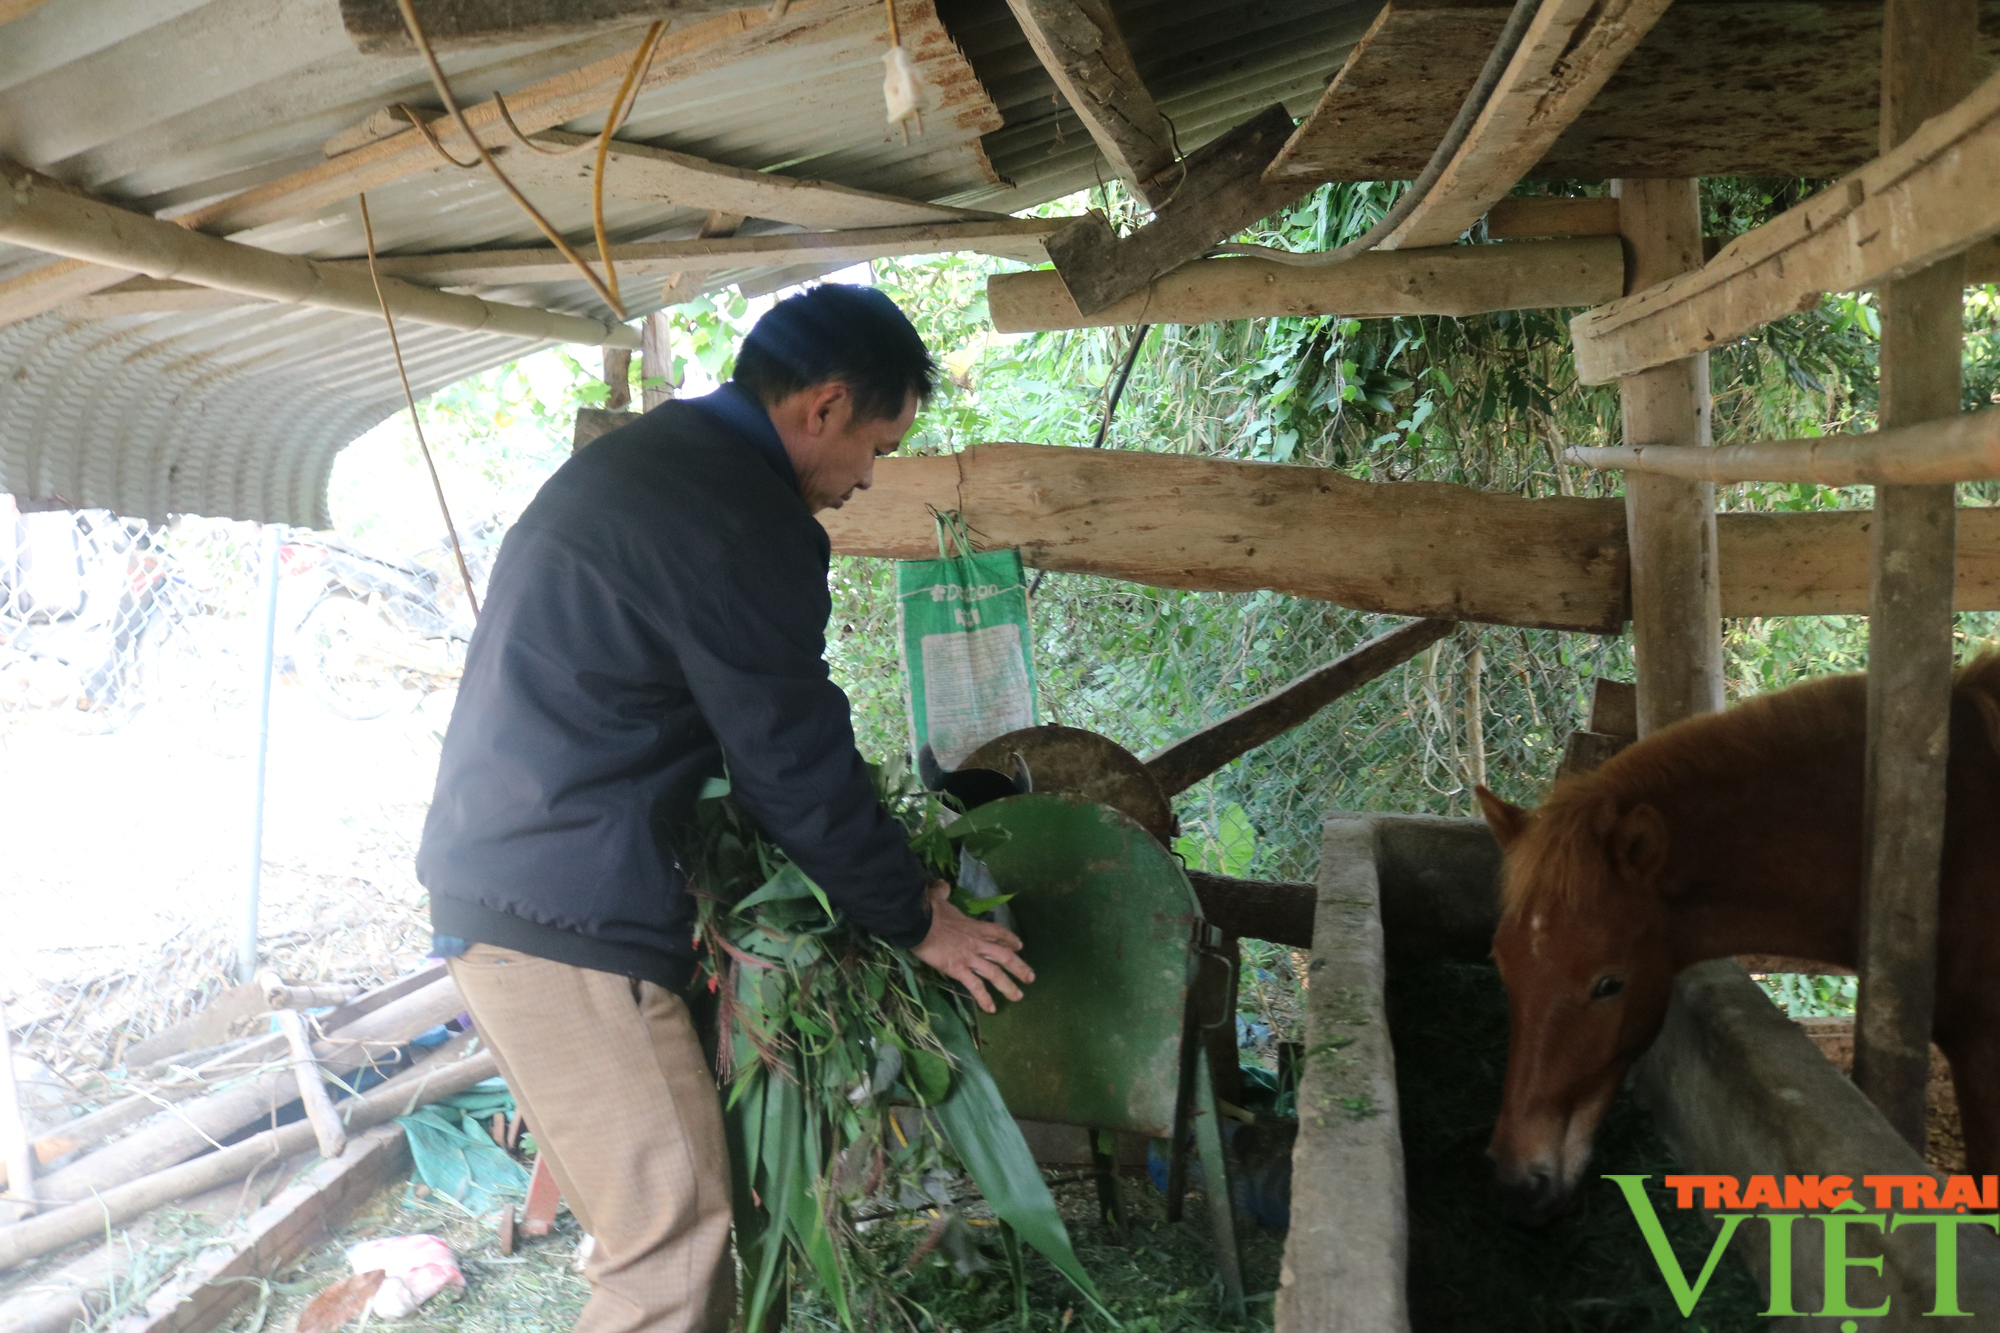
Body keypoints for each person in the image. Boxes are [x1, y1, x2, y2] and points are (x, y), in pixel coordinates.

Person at [415, 284, 1036, 1333]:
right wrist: (915, 915)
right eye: (877, 445)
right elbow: (788, 754)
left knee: (661, 1222)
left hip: (518, 882)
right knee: (670, 1250)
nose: (868, 477)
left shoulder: (658, 461)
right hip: (566, 919)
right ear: (825, 407)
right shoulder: (738, 512)